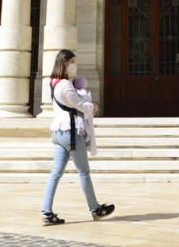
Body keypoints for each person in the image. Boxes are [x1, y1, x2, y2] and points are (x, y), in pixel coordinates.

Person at [40, 49, 115, 226]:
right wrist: (93, 106)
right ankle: (96, 209)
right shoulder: (65, 85)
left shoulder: (53, 82)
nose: (75, 65)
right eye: (73, 61)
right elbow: (80, 106)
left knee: (55, 173)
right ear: (65, 62)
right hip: (70, 132)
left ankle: (47, 212)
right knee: (84, 171)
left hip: (58, 133)